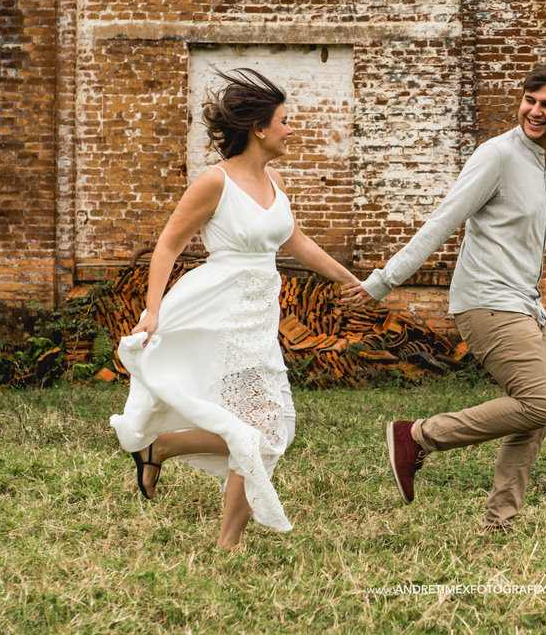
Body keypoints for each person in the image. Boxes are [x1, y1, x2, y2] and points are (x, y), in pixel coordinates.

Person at [110, 68, 361, 550]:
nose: (292, 129)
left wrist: (352, 280)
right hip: (218, 312)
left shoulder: (276, 179)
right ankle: (228, 544)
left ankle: (162, 447)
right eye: (285, 121)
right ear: (260, 129)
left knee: (265, 429)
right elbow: (167, 246)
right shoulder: (214, 182)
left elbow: (297, 243)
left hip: (260, 317)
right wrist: (153, 311)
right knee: (260, 429)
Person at [342, 63, 546, 533]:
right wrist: (383, 280)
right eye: (529, 100)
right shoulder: (497, 155)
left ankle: (499, 522)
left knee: (532, 416)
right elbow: (443, 221)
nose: (535, 111)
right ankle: (418, 436)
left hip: (524, 302)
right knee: (539, 403)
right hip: (486, 299)